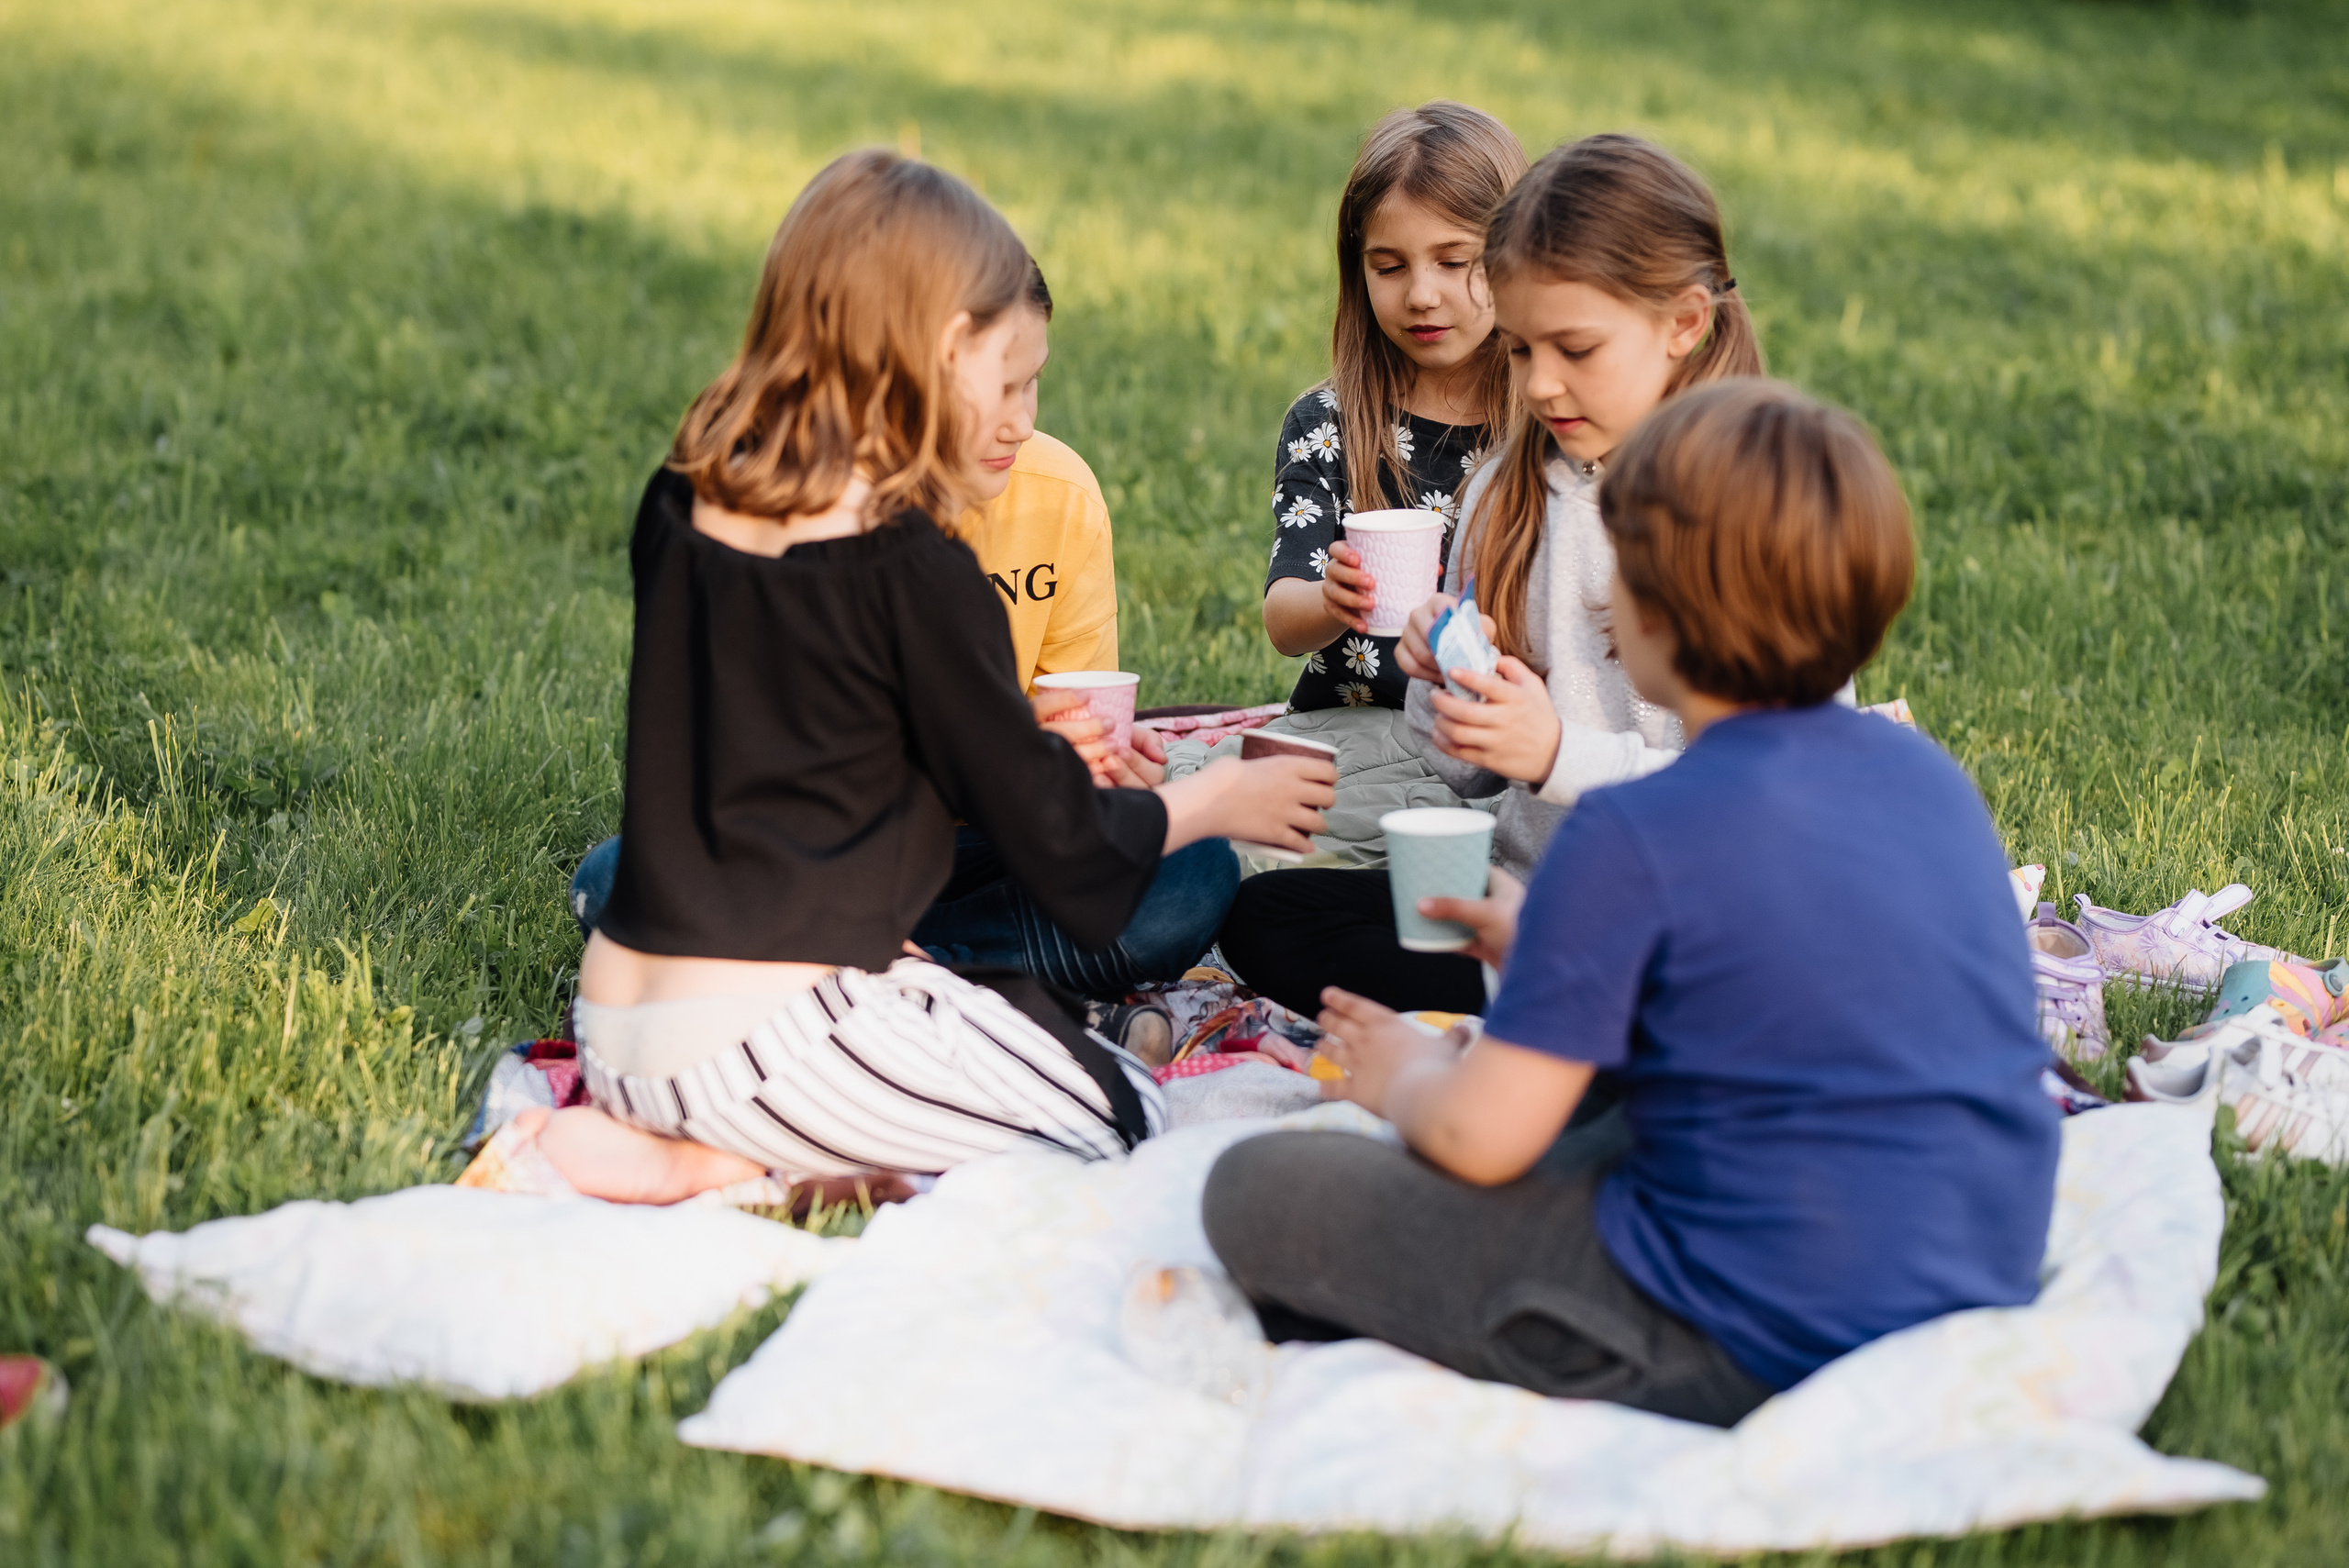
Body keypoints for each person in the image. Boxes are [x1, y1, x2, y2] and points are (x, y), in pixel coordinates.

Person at [1204, 380, 2060, 1427]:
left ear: (1639, 610)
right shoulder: (1926, 779)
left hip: (1742, 1331)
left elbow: (1481, 1140)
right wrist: (1551, 948)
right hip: (1972, 1271)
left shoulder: (1632, 832)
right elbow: (1767, 998)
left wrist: (1413, 1074)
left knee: (1256, 1190)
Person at [518, 150, 1334, 1204]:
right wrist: (1221, 793)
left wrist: (1018, 741)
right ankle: (721, 1165)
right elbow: (1073, 855)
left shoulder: (691, 487)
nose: (1023, 417)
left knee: (1000, 1034)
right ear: (938, 353)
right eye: (1008, 381)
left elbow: (803, 754)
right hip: (749, 1043)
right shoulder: (909, 562)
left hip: (620, 1013)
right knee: (1123, 1109)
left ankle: (767, 1107)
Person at [569, 257, 1239, 1025]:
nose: (1020, 422)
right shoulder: (817, 518)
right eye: (997, 391)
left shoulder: (1060, 494)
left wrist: (1108, 772)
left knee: (1194, 872)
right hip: (820, 852)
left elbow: (1066, 753)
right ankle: (998, 1000)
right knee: (619, 879)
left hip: (989, 843)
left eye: (1033, 383)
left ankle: (863, 981)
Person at [1222, 133, 1765, 1017]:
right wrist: (1448, 690)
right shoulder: (1501, 493)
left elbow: (1760, 800)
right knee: (1267, 918)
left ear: (1684, 325)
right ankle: (1564, 998)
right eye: (1518, 352)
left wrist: (1554, 753)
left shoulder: (1743, 506)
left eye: (1575, 350)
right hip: (1532, 895)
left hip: (1692, 907)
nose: (1542, 386)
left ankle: (1593, 1006)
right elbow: (1469, 776)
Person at [1211, 102, 1523, 863]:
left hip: (1495, 735)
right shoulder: (1330, 421)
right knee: (1201, 826)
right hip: (1348, 729)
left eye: (1455, 262)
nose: (1421, 293)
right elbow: (1285, 622)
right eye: (1390, 266)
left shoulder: (1548, 422)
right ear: (1359, 272)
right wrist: (1331, 600)